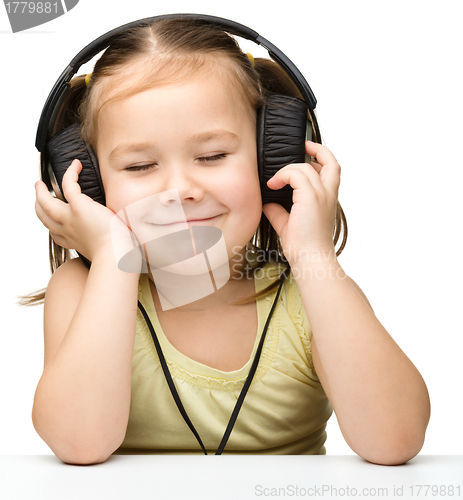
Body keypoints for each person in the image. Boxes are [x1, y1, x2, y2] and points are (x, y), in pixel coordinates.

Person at [24, 16, 430, 465]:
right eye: (139, 166)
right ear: (93, 184)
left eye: (213, 155)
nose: (179, 189)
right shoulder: (82, 289)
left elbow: (394, 441)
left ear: (268, 160)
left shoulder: (308, 295)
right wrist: (113, 259)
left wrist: (312, 254)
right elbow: (79, 444)